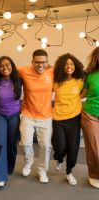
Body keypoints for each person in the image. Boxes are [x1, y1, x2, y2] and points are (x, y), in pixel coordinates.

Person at [17, 49, 53, 183]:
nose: (40, 65)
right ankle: (28, 161)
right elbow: (4, 67)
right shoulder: (24, 70)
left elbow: (71, 70)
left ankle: (42, 171)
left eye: (43, 62)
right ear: (32, 62)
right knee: (25, 144)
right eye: (37, 62)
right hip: (28, 115)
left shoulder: (52, 72)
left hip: (46, 117)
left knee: (45, 145)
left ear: (48, 62)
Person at [0, 56, 22, 188]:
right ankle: (0, 177)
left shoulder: (18, 79)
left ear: (12, 66)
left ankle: (8, 167)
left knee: (12, 144)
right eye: (2, 66)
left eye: (7, 65)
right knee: (0, 143)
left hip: (14, 115)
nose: (5, 68)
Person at [52, 53, 85, 186]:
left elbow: (83, 93)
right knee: (59, 146)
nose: (69, 66)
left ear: (75, 66)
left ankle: (69, 172)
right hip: (58, 118)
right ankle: (59, 158)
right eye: (66, 64)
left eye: (71, 64)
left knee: (73, 148)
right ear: (62, 66)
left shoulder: (79, 80)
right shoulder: (56, 81)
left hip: (74, 118)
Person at [81, 47, 99, 189]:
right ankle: (94, 175)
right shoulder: (90, 74)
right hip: (90, 114)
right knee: (94, 149)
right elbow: (82, 94)